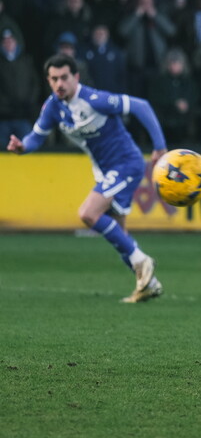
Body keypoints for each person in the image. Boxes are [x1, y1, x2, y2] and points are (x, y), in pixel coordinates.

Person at [6, 53, 169, 303]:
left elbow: (141, 106)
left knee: (88, 214)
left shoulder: (94, 99)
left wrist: (159, 147)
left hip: (127, 164)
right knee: (120, 235)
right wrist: (23, 147)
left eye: (64, 78)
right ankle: (148, 284)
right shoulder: (53, 107)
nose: (59, 84)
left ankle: (143, 261)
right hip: (106, 172)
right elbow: (37, 136)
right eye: (53, 79)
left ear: (76, 77)